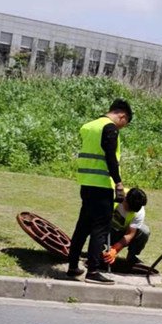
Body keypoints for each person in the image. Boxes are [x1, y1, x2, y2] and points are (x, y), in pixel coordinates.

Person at [67, 98, 132, 284]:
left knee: (83, 226)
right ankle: (93, 271)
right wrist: (118, 183)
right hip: (102, 185)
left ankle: (72, 266)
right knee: (100, 229)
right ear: (122, 116)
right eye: (124, 124)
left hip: (86, 183)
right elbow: (110, 157)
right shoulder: (109, 128)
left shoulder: (89, 126)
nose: (121, 127)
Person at [102, 187, 150, 270]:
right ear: (125, 199)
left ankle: (131, 257)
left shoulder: (139, 212)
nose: (131, 211)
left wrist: (114, 250)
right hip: (104, 229)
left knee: (144, 231)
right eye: (129, 208)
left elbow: (130, 234)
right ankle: (97, 250)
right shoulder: (113, 195)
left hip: (120, 234)